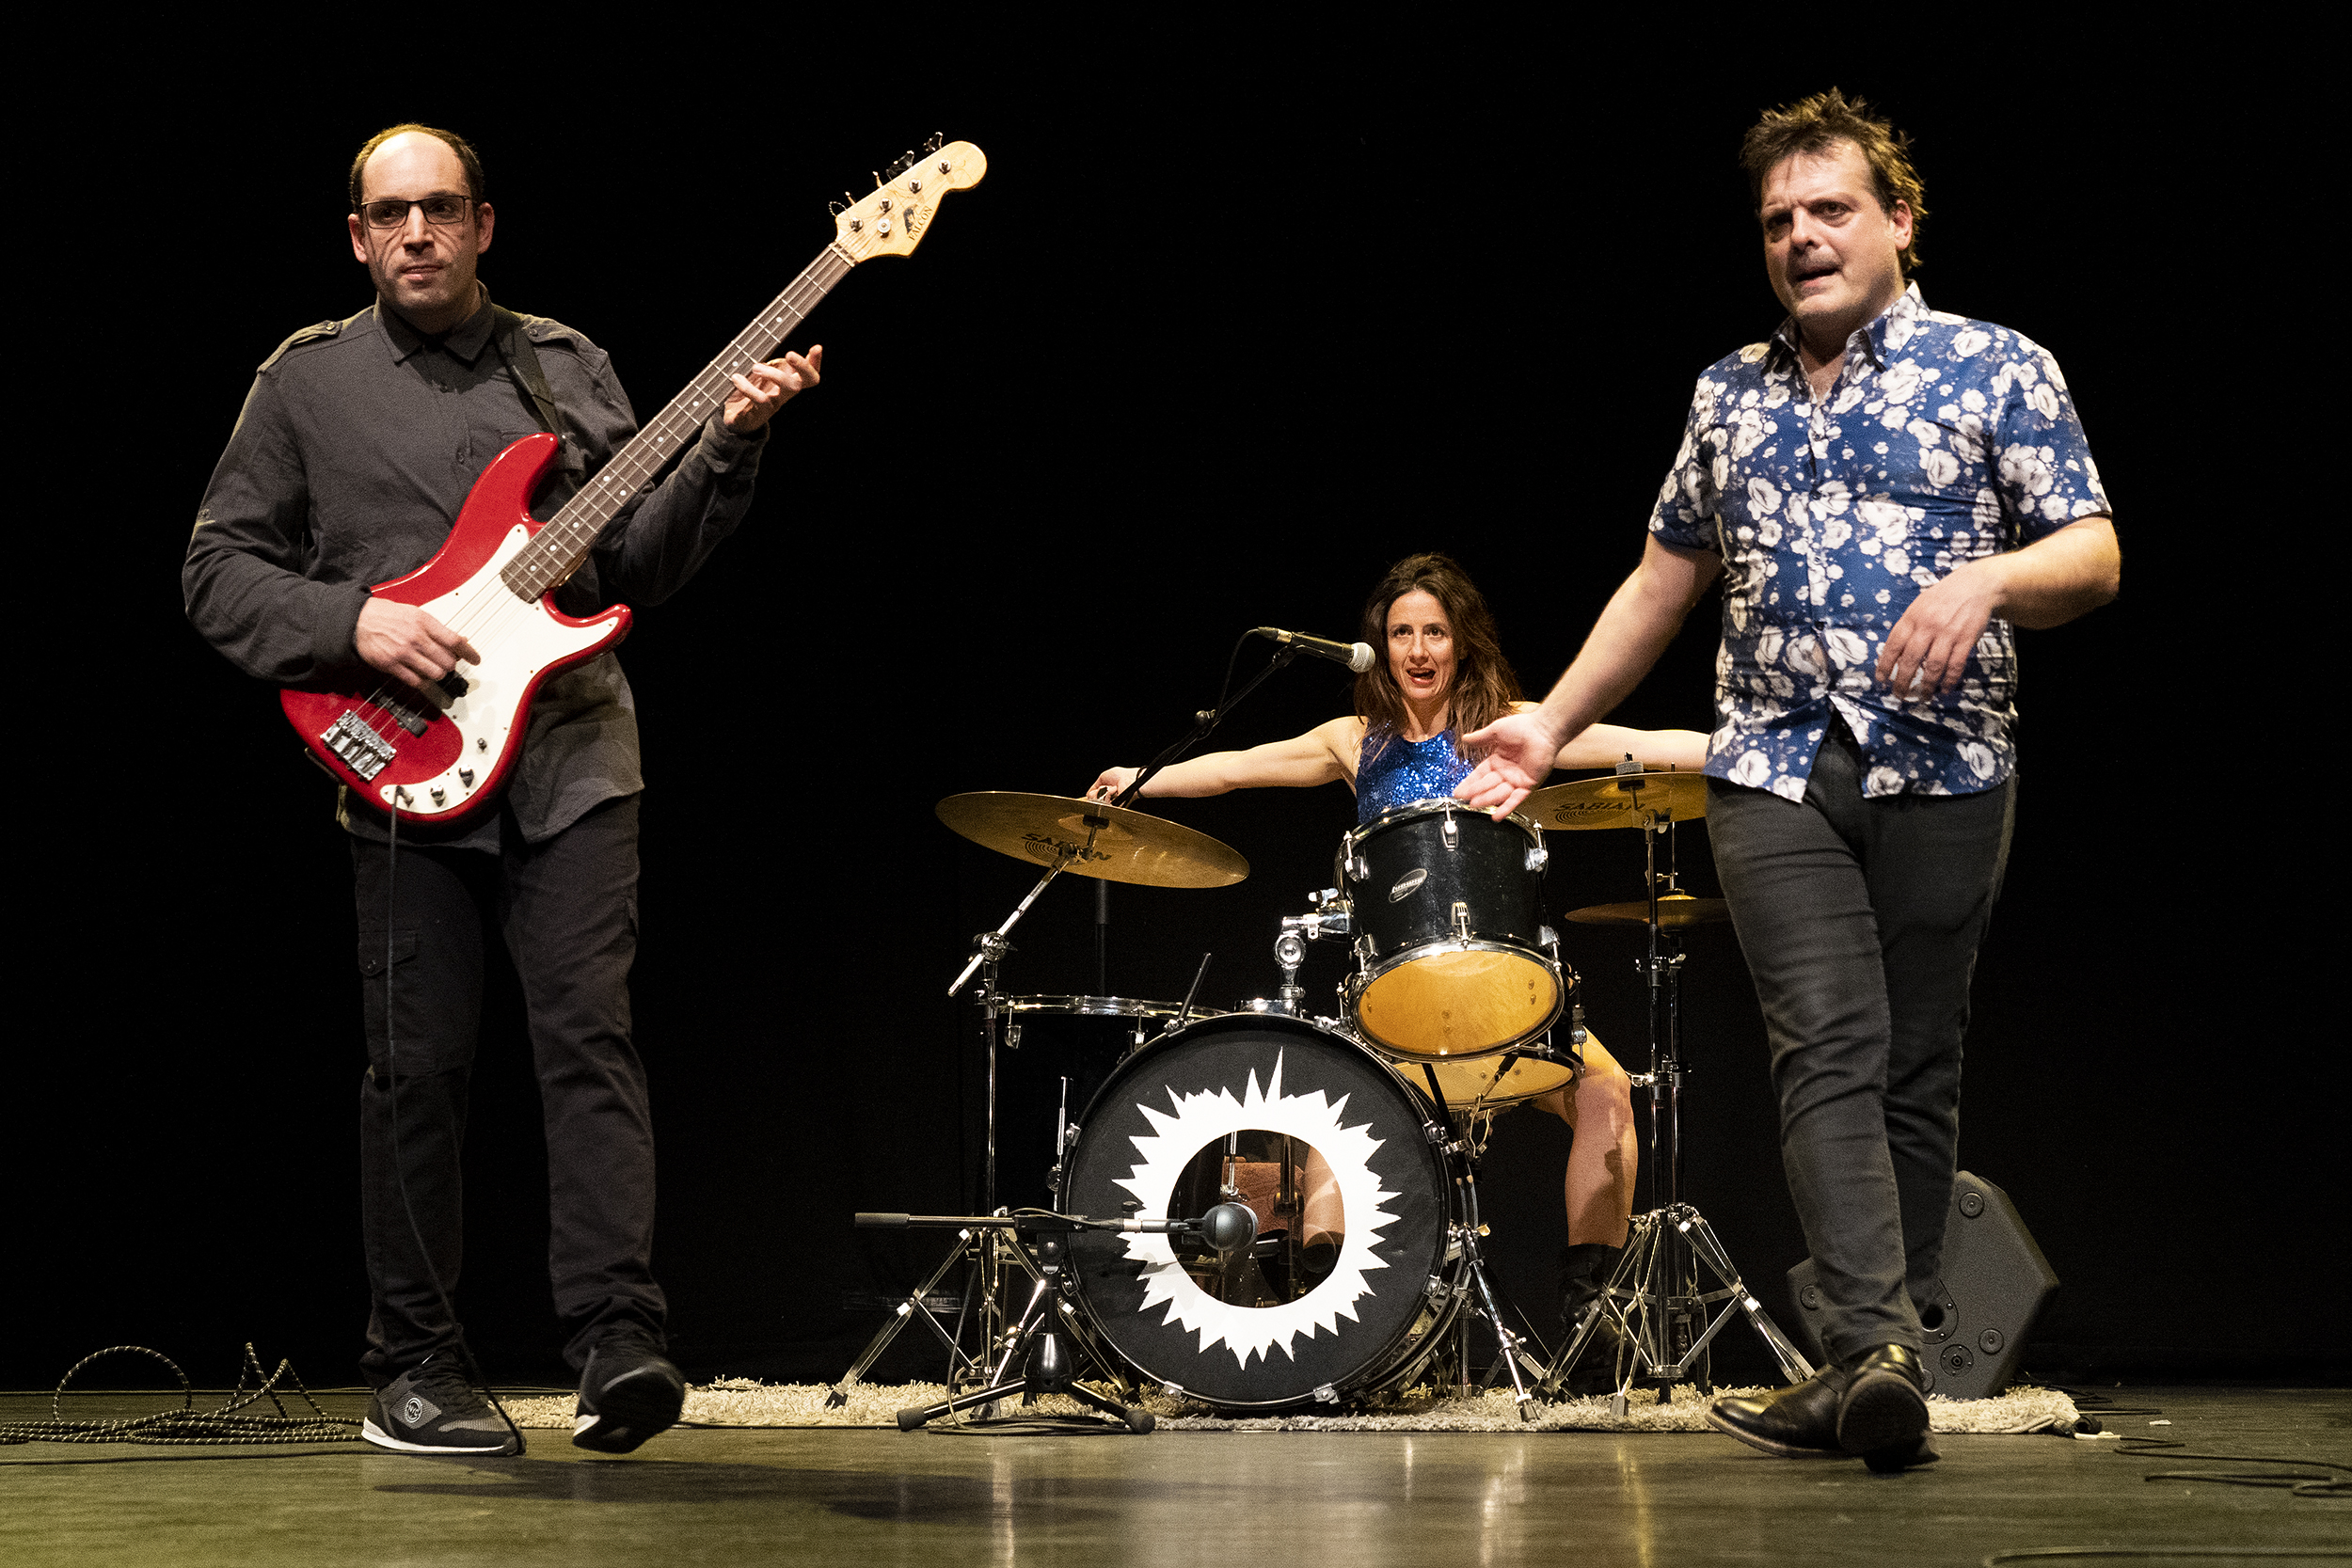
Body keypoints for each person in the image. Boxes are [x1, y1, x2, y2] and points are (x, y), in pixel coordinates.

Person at [1454, 91, 2120, 1470]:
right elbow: (1663, 581)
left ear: (1899, 220)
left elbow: (2094, 553)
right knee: (1825, 1040)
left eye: (1830, 210)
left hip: (1948, 762)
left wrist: (1990, 579)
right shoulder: (1728, 393)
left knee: (1917, 1061)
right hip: (1768, 763)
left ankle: (1881, 1350)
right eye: (1777, 221)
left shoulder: (1997, 366)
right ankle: (1871, 1347)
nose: (1801, 237)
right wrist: (1551, 722)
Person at [182, 124, 823, 1456]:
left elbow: (633, 564)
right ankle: (416, 1364)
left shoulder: (564, 362)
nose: (416, 232)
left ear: (484, 224)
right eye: (390, 214)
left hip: (574, 759)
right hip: (401, 764)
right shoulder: (305, 382)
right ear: (357, 236)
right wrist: (354, 620)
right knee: (415, 1071)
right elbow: (217, 570)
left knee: (589, 1045)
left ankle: (618, 1344)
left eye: (441, 208)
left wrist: (726, 447)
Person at [1091, 552, 1708, 1364]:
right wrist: (1143, 778)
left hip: (1507, 991)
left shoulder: (1511, 725)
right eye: (1402, 633)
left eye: (1435, 632)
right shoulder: (1353, 740)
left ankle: (1590, 1323)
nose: (1418, 650)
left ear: (1462, 641)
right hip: (1398, 1001)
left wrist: (1742, 750)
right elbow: (1237, 769)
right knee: (1333, 1143)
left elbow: (1640, 744)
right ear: (1380, 646)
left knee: (1607, 1091)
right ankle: (1345, 1342)